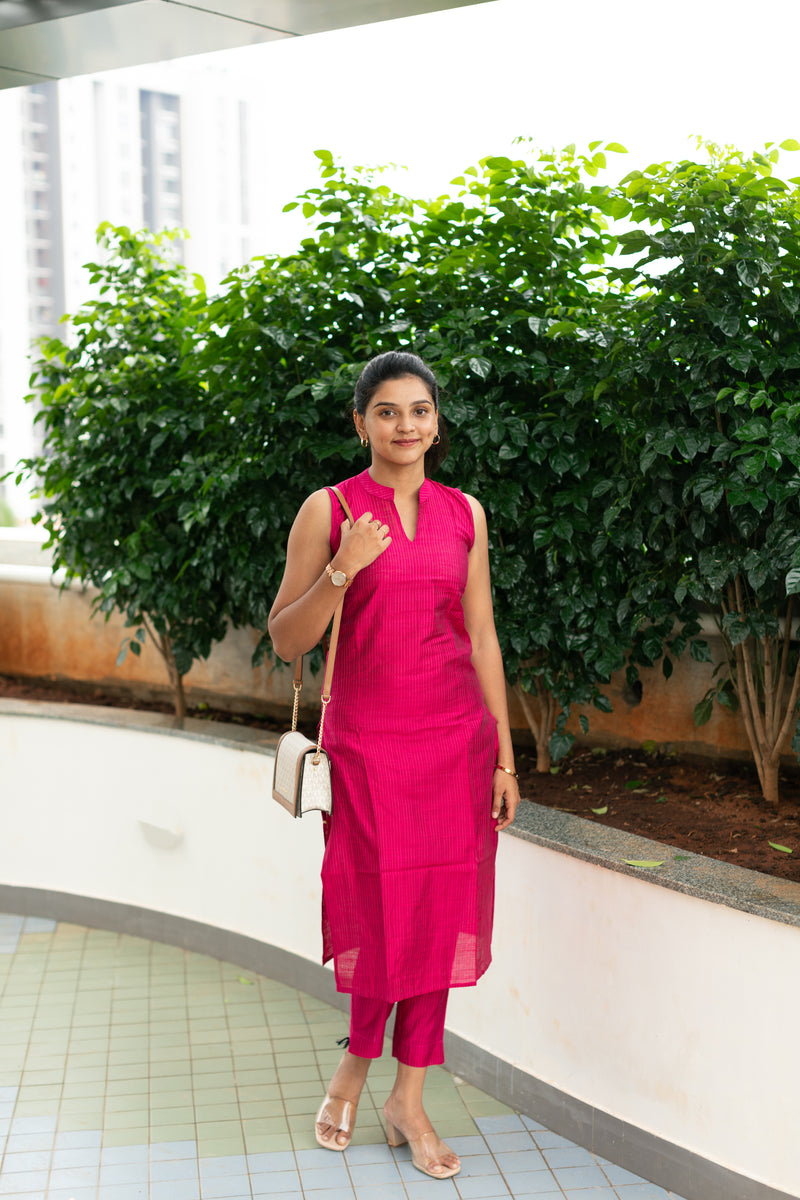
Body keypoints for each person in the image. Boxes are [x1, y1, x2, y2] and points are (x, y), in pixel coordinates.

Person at [268, 350, 520, 1180]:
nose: (405, 425)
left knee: (438, 910)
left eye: (419, 410)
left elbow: (481, 636)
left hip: (456, 744)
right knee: (382, 912)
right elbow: (286, 639)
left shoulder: (465, 513)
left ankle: (408, 1096)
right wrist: (344, 568)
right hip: (370, 748)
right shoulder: (330, 509)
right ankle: (354, 1068)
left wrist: (505, 758)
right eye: (387, 411)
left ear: (436, 422)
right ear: (360, 422)